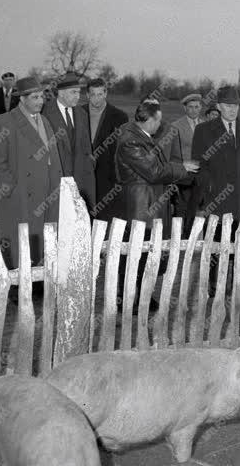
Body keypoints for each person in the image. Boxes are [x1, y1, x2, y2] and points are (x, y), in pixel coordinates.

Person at [115, 100, 199, 308]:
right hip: (140, 205)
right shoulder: (130, 141)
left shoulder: (141, 137)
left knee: (147, 253)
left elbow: (158, 168)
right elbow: (154, 171)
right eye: (158, 120)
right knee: (137, 253)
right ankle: (130, 301)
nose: (160, 125)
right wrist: (182, 168)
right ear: (150, 119)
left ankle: (142, 296)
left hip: (149, 203)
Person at [0, 77, 63, 268]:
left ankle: (38, 277)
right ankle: (14, 282)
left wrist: (57, 183)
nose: (40, 101)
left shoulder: (45, 121)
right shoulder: (3, 122)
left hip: (47, 192)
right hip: (21, 194)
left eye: (42, 97)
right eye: (35, 97)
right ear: (22, 99)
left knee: (42, 237)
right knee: (17, 240)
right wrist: (10, 188)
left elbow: (51, 156)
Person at [191, 85, 240, 221]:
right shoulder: (203, 130)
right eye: (228, 105)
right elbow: (198, 165)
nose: (233, 110)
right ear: (218, 107)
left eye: (235, 105)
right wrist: (210, 186)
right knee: (219, 240)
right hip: (217, 202)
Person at [42, 73, 96, 214]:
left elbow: (86, 148)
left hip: (80, 180)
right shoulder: (45, 112)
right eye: (73, 92)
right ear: (60, 93)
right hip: (55, 181)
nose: (78, 96)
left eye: (79, 92)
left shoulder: (82, 114)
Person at [82, 78, 128, 222]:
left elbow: (123, 149)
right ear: (87, 95)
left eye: (100, 94)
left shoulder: (119, 116)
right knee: (83, 217)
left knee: (105, 220)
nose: (97, 98)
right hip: (83, 175)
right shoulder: (78, 113)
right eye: (93, 94)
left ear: (106, 93)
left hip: (108, 178)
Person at [168, 93, 204, 234]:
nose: (194, 110)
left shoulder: (206, 125)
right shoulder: (175, 126)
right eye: (190, 107)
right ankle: (179, 237)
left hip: (202, 174)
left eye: (197, 107)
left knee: (199, 208)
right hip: (184, 175)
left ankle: (194, 238)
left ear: (200, 107)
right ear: (185, 108)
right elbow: (172, 153)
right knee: (182, 208)